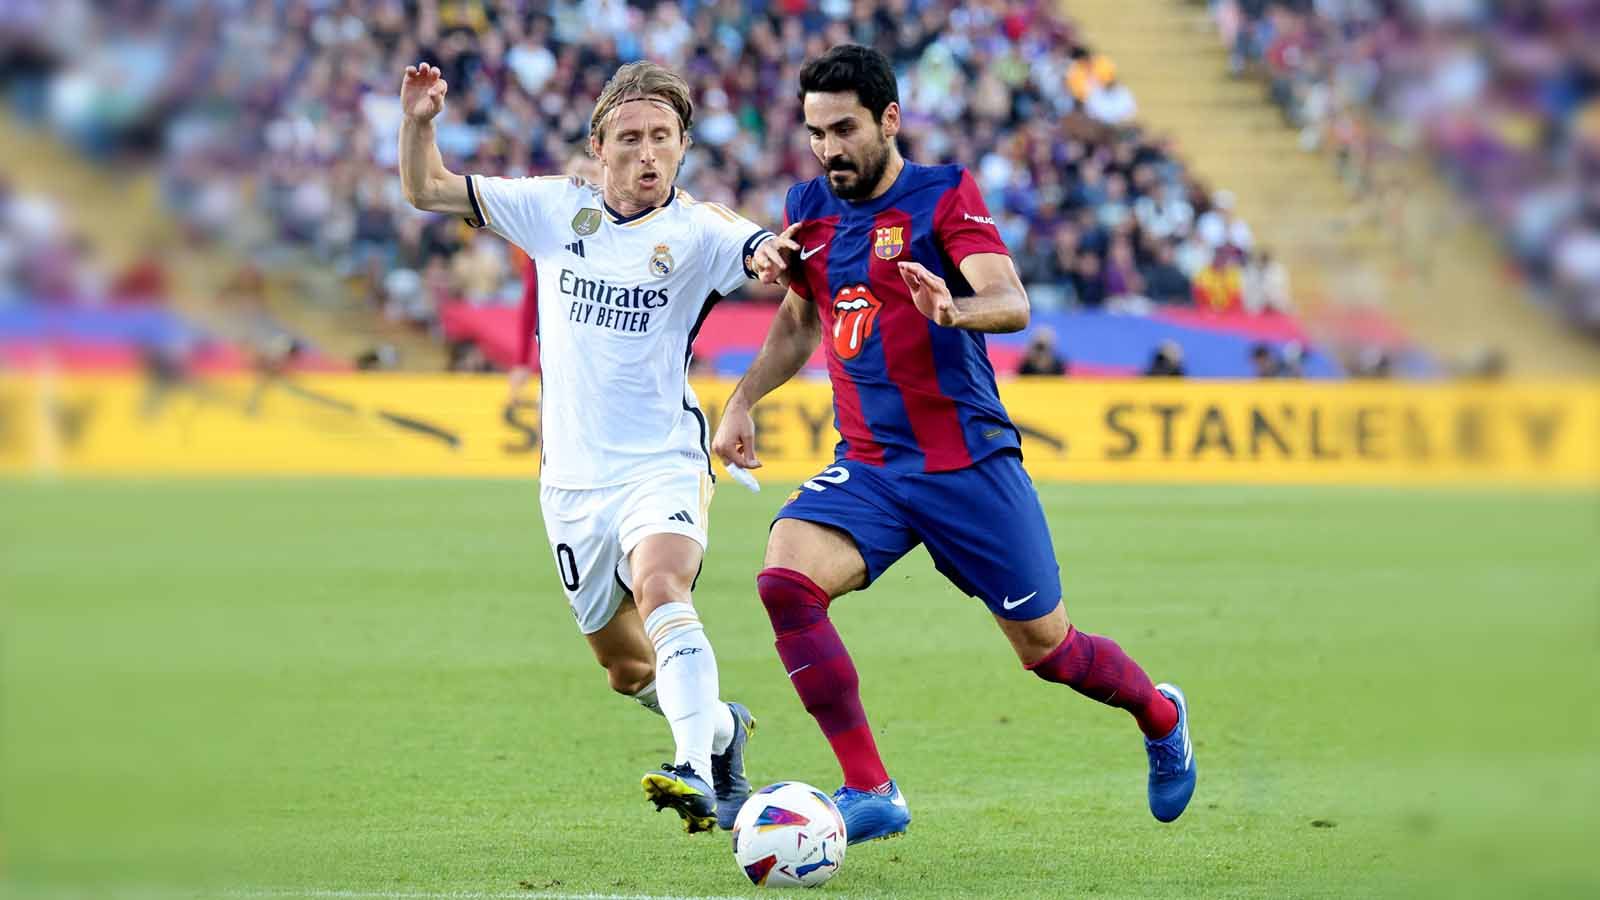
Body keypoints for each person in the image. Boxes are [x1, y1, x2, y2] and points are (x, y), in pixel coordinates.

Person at [714, 45, 1197, 846]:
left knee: (1050, 652)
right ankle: (871, 788)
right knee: (784, 580)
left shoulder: (944, 195)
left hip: (967, 467)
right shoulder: (810, 205)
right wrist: (741, 399)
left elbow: (1010, 301)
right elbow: (803, 321)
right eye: (814, 132)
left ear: (889, 120)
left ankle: (1160, 713)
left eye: (843, 129)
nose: (828, 149)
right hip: (871, 466)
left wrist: (955, 312)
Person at [399, 60, 772, 834]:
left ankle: (693, 774)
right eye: (630, 138)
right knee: (625, 668)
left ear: (682, 147)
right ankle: (722, 732)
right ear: (598, 147)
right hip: (571, 482)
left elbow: (762, 250)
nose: (647, 154)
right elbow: (426, 188)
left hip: (661, 459)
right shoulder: (549, 210)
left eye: (662, 138)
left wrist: (772, 254)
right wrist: (420, 124)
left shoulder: (700, 231)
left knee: (665, 586)